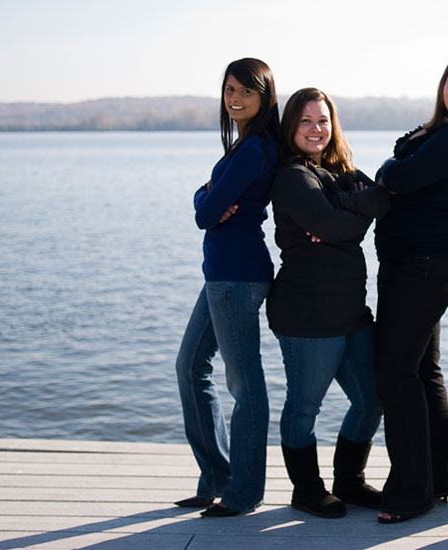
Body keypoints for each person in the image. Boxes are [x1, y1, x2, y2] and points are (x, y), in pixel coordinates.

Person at [373, 48, 448, 523]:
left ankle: (410, 492)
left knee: (395, 373)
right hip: (423, 260)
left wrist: (391, 167)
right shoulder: (445, 131)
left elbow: (401, 174)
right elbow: (405, 166)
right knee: (423, 369)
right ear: (442, 84)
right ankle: (439, 478)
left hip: (425, 263)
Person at [268, 88, 389, 519]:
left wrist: (344, 210)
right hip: (307, 313)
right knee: (304, 405)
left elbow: (381, 199)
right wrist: (347, 217)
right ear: (291, 128)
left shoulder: (338, 171)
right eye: (305, 121)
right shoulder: (292, 176)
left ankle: (349, 482)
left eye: (322, 120)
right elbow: (332, 224)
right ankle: (308, 490)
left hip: (352, 311)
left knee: (372, 398)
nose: (316, 129)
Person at [173, 58, 281, 518]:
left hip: (237, 275)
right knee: (190, 366)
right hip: (222, 274)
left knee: (244, 383)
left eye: (246, 92)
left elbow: (203, 214)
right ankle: (216, 475)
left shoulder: (255, 149)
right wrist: (208, 195)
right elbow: (207, 205)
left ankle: (244, 491)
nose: (235, 100)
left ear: (264, 97)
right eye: (229, 90)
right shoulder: (242, 148)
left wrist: (208, 198)